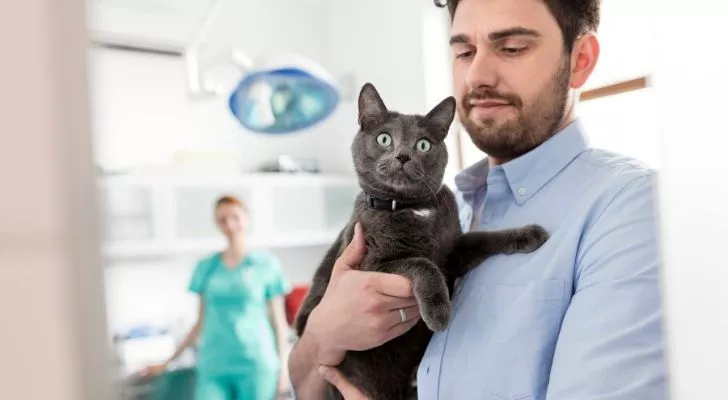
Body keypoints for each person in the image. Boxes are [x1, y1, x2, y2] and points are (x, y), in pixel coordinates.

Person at [288, 0, 668, 398]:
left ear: (581, 60)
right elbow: (304, 383)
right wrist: (321, 334)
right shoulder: (452, 208)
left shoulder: (630, 211)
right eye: (464, 51)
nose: (477, 74)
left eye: (512, 47)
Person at [143, 195, 292, 400]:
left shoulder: (266, 266)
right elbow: (200, 323)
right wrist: (168, 361)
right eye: (222, 220)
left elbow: (280, 324)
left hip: (256, 363)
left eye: (235, 217)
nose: (230, 225)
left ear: (246, 219)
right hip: (214, 364)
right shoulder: (207, 267)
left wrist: (284, 371)